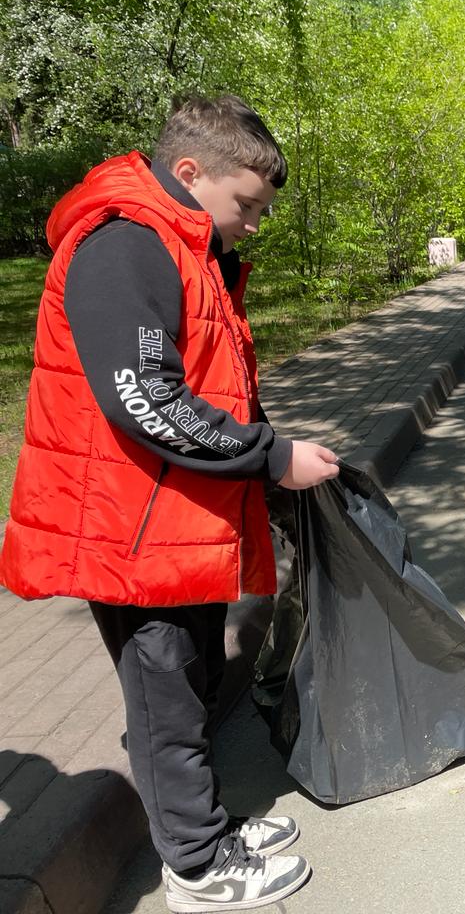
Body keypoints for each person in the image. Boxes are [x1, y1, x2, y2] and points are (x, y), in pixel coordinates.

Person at [0, 95, 340, 913]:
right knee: (165, 694)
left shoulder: (181, 240)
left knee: (190, 674)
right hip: (132, 525)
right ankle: (195, 866)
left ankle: (206, 826)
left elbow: (204, 376)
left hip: (171, 518)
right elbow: (143, 398)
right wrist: (269, 457)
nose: (254, 224)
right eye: (246, 206)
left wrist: (261, 458)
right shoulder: (127, 244)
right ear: (190, 172)